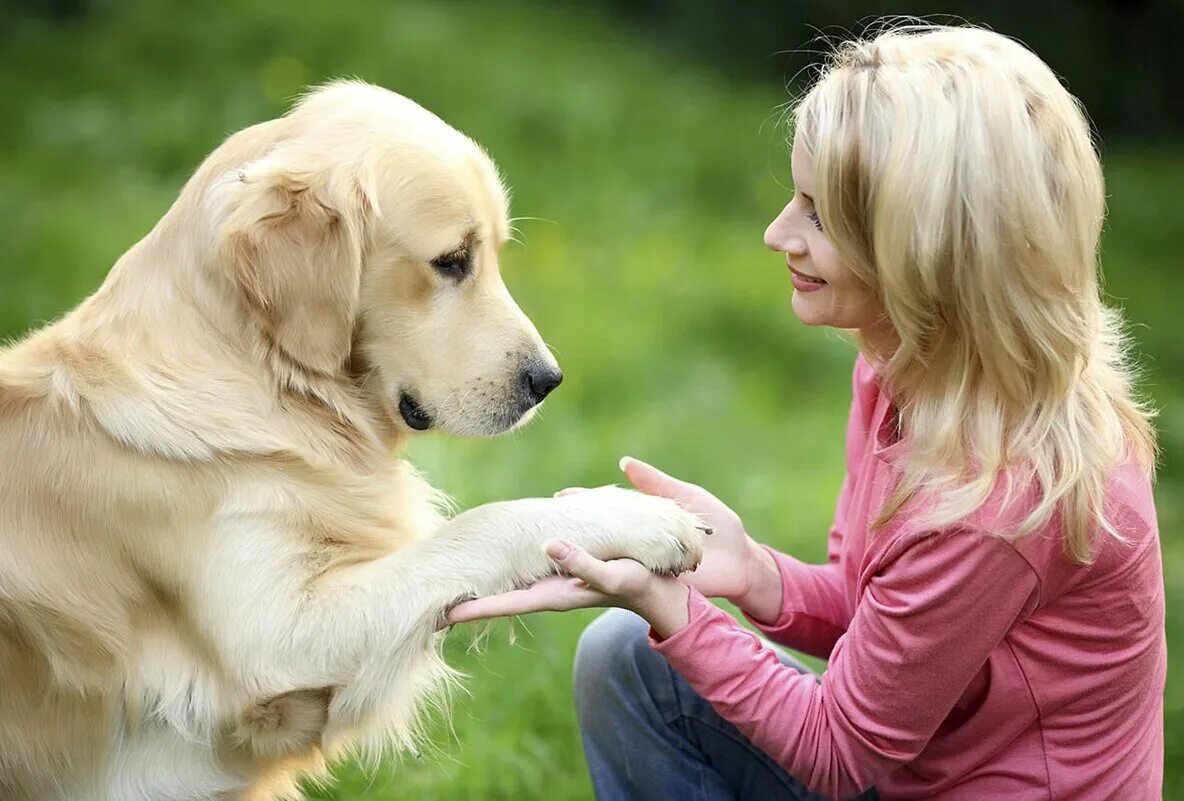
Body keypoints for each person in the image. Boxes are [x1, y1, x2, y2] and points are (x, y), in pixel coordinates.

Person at [447, 23, 1165, 800]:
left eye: (819, 216)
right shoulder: (908, 373)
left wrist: (671, 605)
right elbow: (876, 615)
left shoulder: (999, 500)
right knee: (628, 660)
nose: (776, 233)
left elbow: (838, 751)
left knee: (643, 639)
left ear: (927, 255)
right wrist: (754, 572)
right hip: (913, 777)